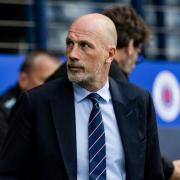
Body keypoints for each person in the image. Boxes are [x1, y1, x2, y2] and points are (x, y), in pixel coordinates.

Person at [0, 13, 164, 179]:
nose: (72, 54)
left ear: (110, 54)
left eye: (84, 45)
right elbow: (10, 174)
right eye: (70, 44)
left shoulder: (139, 101)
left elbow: (152, 173)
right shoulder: (35, 103)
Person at [46, 6, 180, 180]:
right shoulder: (107, 78)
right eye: (139, 53)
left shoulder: (69, 73)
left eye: (84, 45)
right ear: (131, 46)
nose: (73, 55)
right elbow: (135, 148)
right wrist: (170, 170)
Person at [0, 50, 61, 150]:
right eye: (47, 81)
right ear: (23, 79)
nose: (54, 87)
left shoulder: (62, 106)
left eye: (57, 81)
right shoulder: (3, 114)